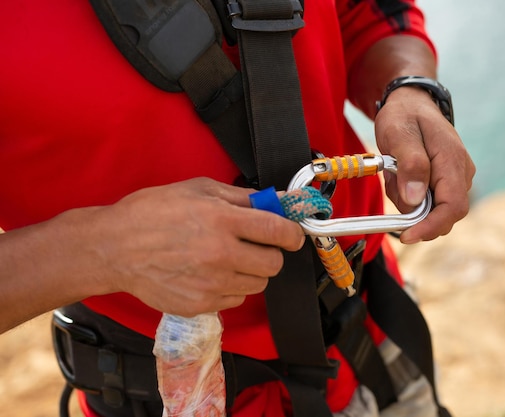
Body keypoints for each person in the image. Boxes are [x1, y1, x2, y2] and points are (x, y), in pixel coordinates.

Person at [0, 1, 475, 416]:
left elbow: (365, 11)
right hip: (170, 388)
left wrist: (410, 89)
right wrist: (104, 250)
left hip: (366, 328)